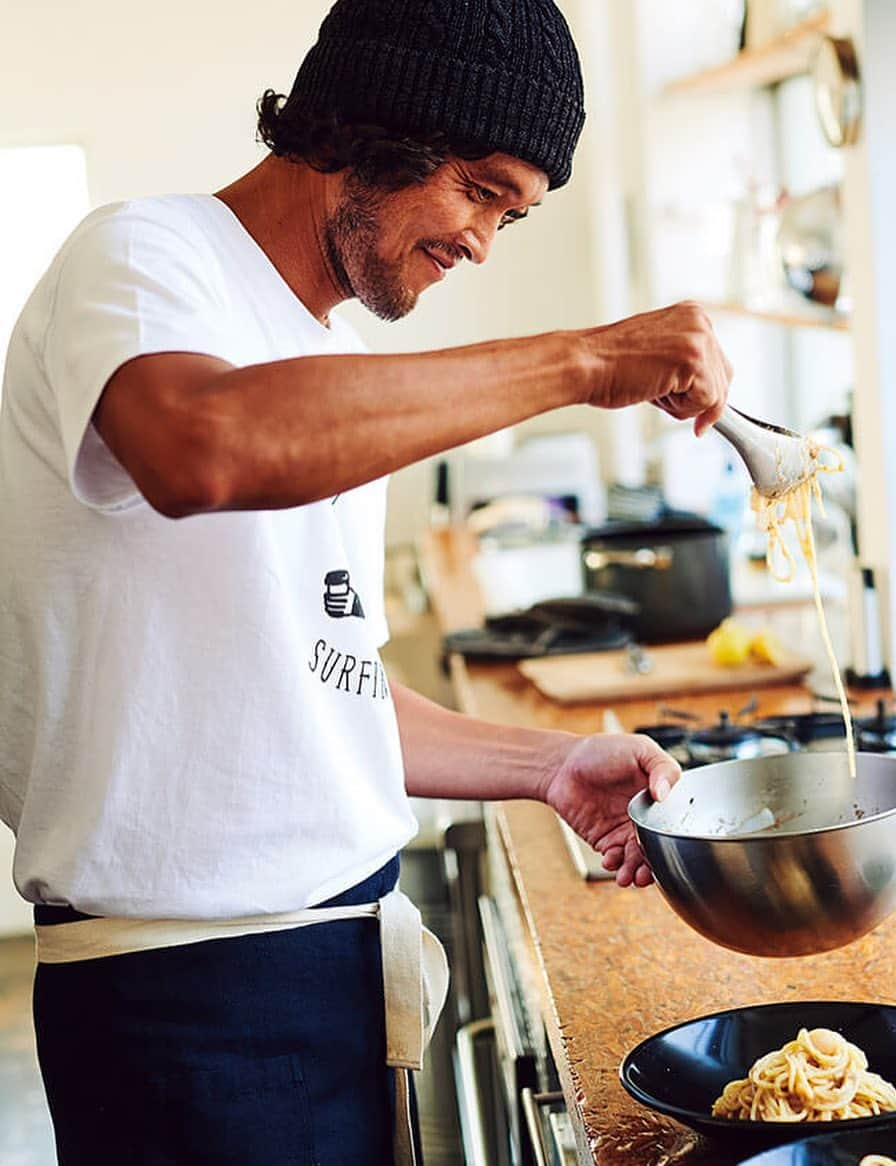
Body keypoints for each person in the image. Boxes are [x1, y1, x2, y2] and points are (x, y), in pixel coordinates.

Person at [0, 1, 732, 1162]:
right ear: (374, 122)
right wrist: (583, 360)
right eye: (481, 191)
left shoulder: (331, 360)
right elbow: (202, 448)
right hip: (184, 996)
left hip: (334, 967)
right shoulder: (144, 256)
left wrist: (548, 764)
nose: (484, 242)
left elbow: (318, 691)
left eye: (514, 216)